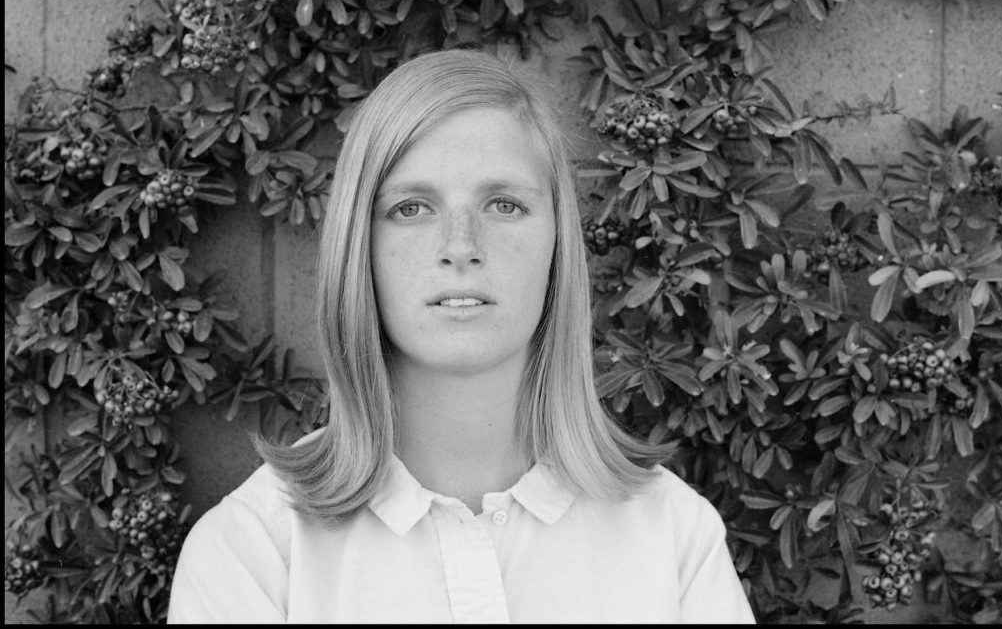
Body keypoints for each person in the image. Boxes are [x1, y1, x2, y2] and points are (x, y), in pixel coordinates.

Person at [167, 48, 755, 624]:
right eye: (411, 208)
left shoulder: (672, 535)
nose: (460, 246)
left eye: (503, 204)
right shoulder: (253, 553)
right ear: (358, 247)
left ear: (558, 243)